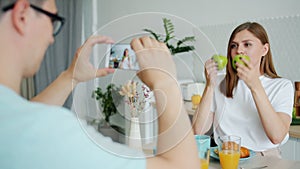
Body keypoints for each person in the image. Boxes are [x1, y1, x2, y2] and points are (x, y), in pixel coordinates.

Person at [0, 0, 199, 169]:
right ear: (22, 15)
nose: (52, 38)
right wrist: (166, 81)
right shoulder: (53, 134)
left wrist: (72, 76)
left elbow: (28, 115)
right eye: (53, 20)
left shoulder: (15, 122)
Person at [192, 22, 294, 158]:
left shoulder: (282, 86)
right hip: (224, 156)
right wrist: (210, 86)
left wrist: (255, 86)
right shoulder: (220, 83)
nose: (239, 51)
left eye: (247, 44)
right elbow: (198, 130)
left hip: (264, 158)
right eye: (234, 46)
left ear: (264, 50)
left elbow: (277, 136)